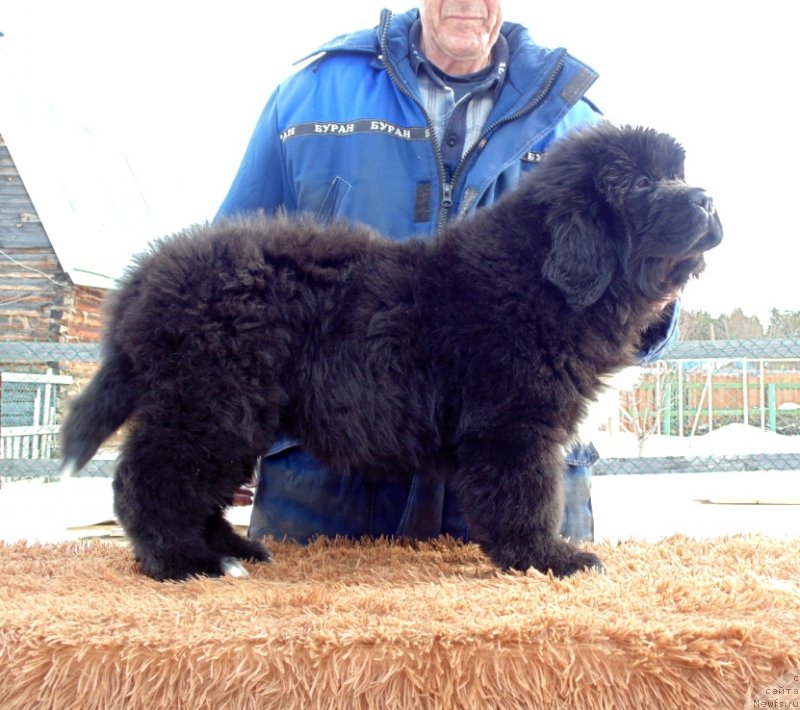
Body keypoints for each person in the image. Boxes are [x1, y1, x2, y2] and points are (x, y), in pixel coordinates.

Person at [217, 2, 680, 545]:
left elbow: (638, 305)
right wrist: (223, 424)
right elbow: (233, 278)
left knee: (540, 627)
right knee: (304, 628)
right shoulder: (311, 96)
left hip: (520, 466)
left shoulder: (578, 122)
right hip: (335, 468)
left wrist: (657, 300)